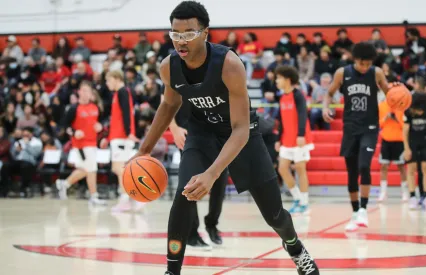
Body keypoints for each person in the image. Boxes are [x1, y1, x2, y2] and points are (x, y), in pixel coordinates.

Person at [128, 2, 320, 275]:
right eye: (175, 33)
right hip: (202, 134)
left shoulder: (229, 64)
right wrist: (143, 151)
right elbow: (169, 105)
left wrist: (212, 173)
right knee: (184, 196)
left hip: (243, 136)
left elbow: (240, 128)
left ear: (205, 33)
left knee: (274, 214)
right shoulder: (168, 67)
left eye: (188, 33)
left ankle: (296, 248)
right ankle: (172, 271)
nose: (181, 41)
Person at [323, 42, 395, 231]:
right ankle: (355, 213)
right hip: (350, 127)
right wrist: (325, 107)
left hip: (370, 127)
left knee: (364, 165)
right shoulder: (342, 73)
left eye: (368, 64)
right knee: (352, 171)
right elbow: (329, 93)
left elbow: (390, 94)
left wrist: (397, 92)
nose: (365, 67)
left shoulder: (376, 72)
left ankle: (363, 209)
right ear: (355, 60)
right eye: (362, 63)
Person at [169, 101, 227, 250]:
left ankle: (212, 224)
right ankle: (192, 233)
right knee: (190, 182)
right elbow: (166, 102)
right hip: (189, 134)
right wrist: (174, 129)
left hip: (216, 132)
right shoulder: (175, 77)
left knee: (220, 183)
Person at [56, 81, 106, 205]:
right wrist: (74, 132)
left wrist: (100, 127)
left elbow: (100, 123)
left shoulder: (95, 107)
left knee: (85, 169)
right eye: (82, 90)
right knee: (92, 169)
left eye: (87, 91)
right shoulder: (73, 108)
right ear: (79, 92)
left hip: (93, 143)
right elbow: (65, 126)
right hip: (81, 145)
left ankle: (64, 184)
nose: (85, 93)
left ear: (91, 94)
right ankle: (94, 197)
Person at [100, 70, 141, 212]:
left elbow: (126, 113)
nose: (107, 83)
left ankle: (127, 199)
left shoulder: (123, 92)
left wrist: (129, 132)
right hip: (117, 137)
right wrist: (108, 137)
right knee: (122, 169)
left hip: (122, 137)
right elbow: (117, 118)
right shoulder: (119, 93)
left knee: (119, 169)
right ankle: (135, 198)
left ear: (116, 78)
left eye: (108, 80)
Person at [274, 65, 314, 215]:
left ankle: (305, 203)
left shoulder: (298, 95)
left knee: (300, 169)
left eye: (278, 78)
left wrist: (301, 135)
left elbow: (303, 115)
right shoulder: (282, 97)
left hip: (299, 139)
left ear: (287, 79)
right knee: (282, 168)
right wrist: (278, 139)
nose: (276, 81)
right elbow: (282, 120)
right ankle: (297, 198)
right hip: (286, 139)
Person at [403, 92, 426, 210]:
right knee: (411, 169)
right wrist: (406, 148)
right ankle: (412, 197)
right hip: (413, 143)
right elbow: (405, 130)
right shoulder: (408, 111)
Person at [377, 98, 407, 202]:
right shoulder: (381, 106)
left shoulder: (402, 106)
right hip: (386, 139)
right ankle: (383, 192)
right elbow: (379, 124)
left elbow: (405, 125)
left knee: (401, 166)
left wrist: (397, 120)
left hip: (399, 140)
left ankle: (404, 192)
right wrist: (385, 118)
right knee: (384, 166)